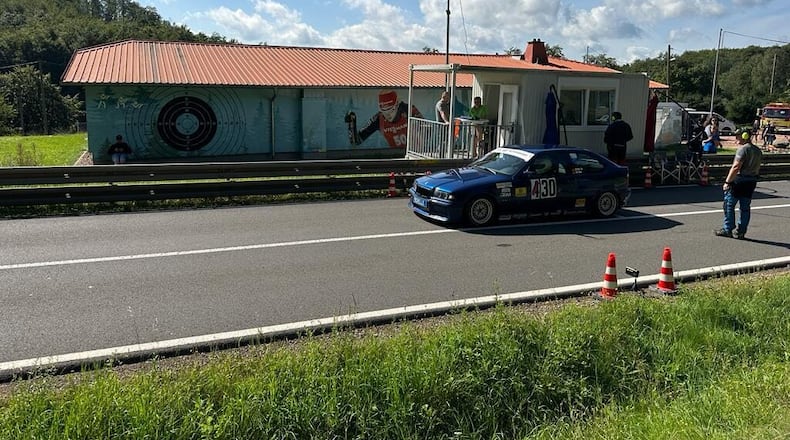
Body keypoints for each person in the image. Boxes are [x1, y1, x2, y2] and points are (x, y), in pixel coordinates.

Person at [714, 128, 763, 239]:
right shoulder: (757, 150)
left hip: (739, 181)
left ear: (745, 136)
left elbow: (736, 167)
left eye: (738, 135)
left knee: (729, 204)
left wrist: (727, 181)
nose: (736, 138)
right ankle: (741, 231)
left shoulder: (743, 149)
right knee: (745, 207)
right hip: (751, 181)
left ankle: (728, 229)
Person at [349, 89, 423, 148]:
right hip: (396, 156)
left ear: (397, 104)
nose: (387, 115)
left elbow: (428, 130)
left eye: (391, 110)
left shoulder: (408, 110)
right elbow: (356, 141)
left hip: (415, 154)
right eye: (384, 111)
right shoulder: (379, 119)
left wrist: (416, 128)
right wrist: (351, 123)